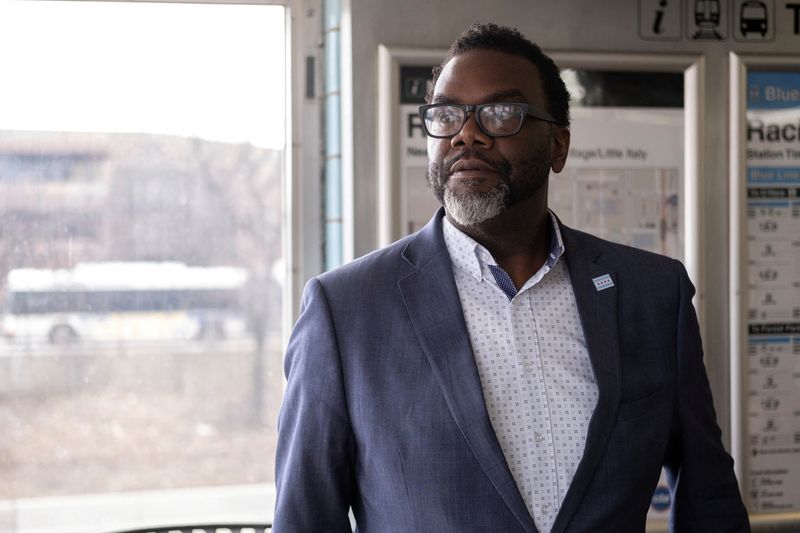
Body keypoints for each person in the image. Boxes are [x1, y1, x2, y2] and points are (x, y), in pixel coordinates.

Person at [273, 22, 750, 533]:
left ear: (558, 147)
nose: (467, 133)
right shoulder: (346, 309)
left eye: (501, 113)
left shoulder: (653, 294)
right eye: (447, 114)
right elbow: (305, 519)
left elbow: (710, 500)